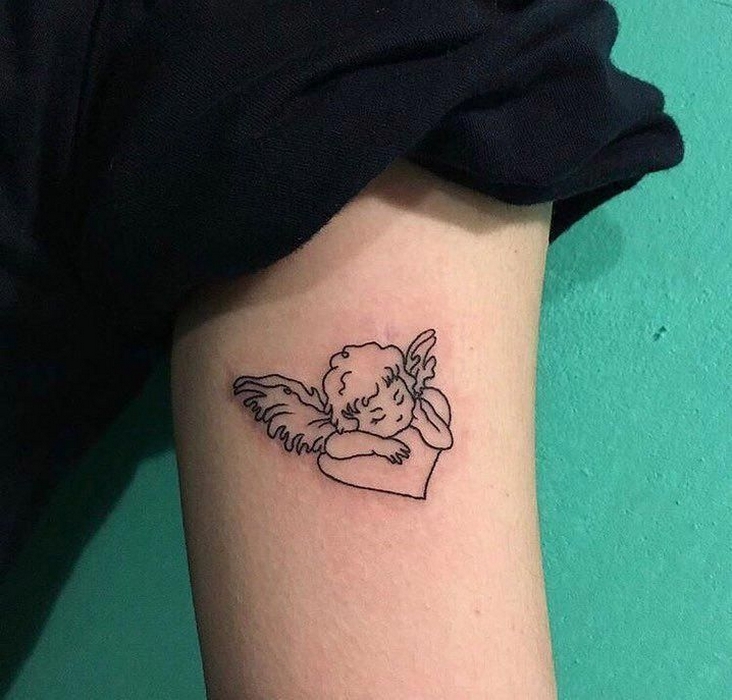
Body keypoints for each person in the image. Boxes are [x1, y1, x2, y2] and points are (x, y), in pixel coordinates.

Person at [2, 0, 683, 696]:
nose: (380, 409)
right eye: (363, 406)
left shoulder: (361, 52)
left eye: (385, 393)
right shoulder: (345, 445)